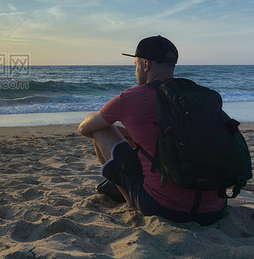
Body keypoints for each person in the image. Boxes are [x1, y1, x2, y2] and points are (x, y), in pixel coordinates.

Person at [78, 35, 226, 225]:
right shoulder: (195, 96)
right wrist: (129, 133)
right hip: (215, 210)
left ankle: (131, 202)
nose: (135, 71)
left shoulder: (132, 97)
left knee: (101, 129)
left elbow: (84, 128)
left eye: (135, 64)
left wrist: (104, 121)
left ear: (145, 64)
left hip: (164, 208)